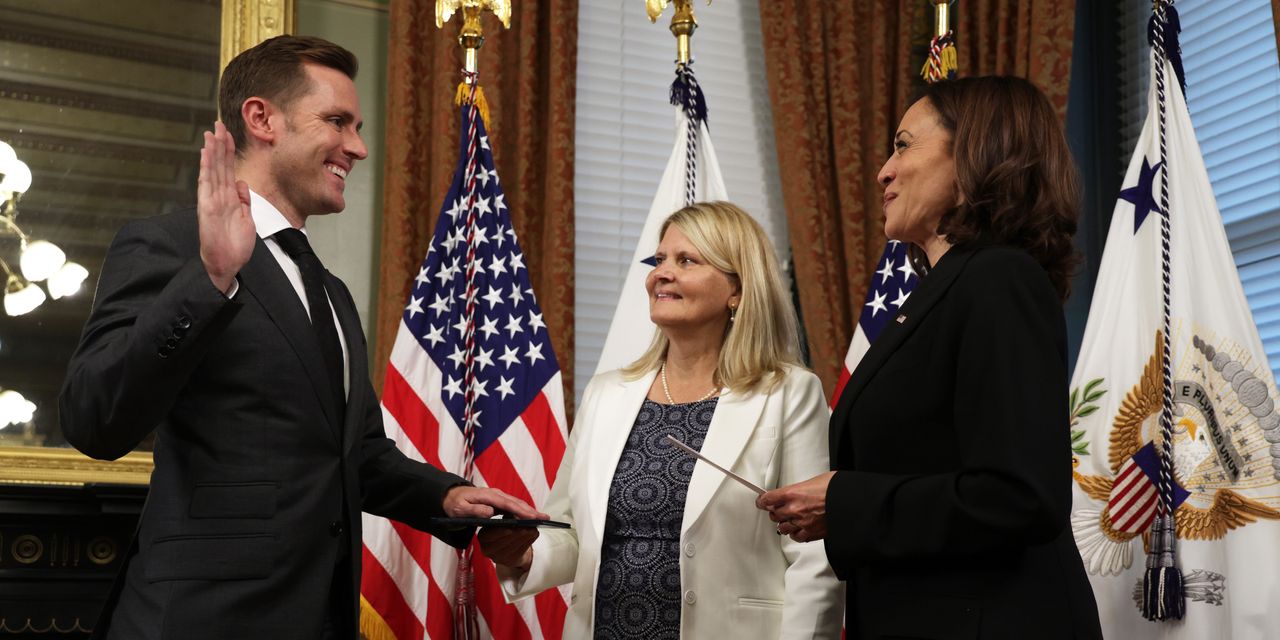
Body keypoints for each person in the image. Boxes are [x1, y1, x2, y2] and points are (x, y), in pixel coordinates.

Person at [58, 35, 542, 640]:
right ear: (262, 119)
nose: (358, 147)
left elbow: (355, 454)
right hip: (198, 621)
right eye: (337, 122)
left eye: (358, 127)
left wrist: (446, 498)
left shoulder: (330, 291)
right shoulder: (169, 247)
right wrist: (209, 279)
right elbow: (93, 420)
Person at [756, 76, 1104, 639]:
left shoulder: (998, 279)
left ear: (973, 156)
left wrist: (844, 500)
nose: (883, 172)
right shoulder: (943, 293)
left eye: (903, 145)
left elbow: (1021, 497)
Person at [480, 201, 843, 639]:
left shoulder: (789, 393)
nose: (661, 274)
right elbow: (573, 533)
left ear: (737, 289)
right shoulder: (605, 394)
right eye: (659, 260)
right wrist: (523, 554)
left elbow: (814, 556)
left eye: (686, 260)